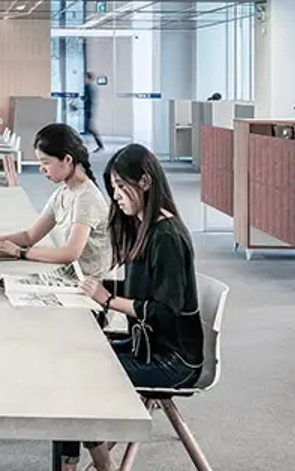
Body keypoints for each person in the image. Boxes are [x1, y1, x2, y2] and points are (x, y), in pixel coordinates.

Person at [60, 144, 205, 471]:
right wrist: (95, 288)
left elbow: (164, 311)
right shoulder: (145, 227)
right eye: (112, 188)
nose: (116, 196)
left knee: (81, 375)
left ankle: (98, 465)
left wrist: (108, 300)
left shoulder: (166, 236)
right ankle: (78, 461)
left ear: (145, 182)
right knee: (76, 358)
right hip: (148, 344)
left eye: (121, 187)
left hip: (173, 359)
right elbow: (143, 291)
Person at [0, 123, 113, 276]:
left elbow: (70, 254)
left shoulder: (86, 198)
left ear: (67, 160)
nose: (41, 169)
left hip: (89, 283)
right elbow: (29, 236)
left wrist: (20, 252)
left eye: (46, 162)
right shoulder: (64, 192)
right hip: (71, 274)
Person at [82, 72, 104, 152]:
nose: (84, 79)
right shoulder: (89, 87)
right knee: (88, 128)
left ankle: (100, 145)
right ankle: (99, 145)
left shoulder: (89, 87)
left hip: (88, 111)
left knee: (90, 129)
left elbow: (89, 101)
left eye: (85, 78)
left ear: (89, 78)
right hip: (87, 111)